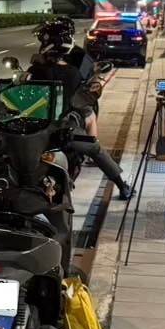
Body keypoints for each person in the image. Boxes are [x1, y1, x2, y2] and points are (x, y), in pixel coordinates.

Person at [27, 16, 133, 199]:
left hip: (34, 127)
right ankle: (122, 186)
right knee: (95, 147)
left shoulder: (35, 70)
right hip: (62, 129)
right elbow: (78, 100)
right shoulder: (72, 72)